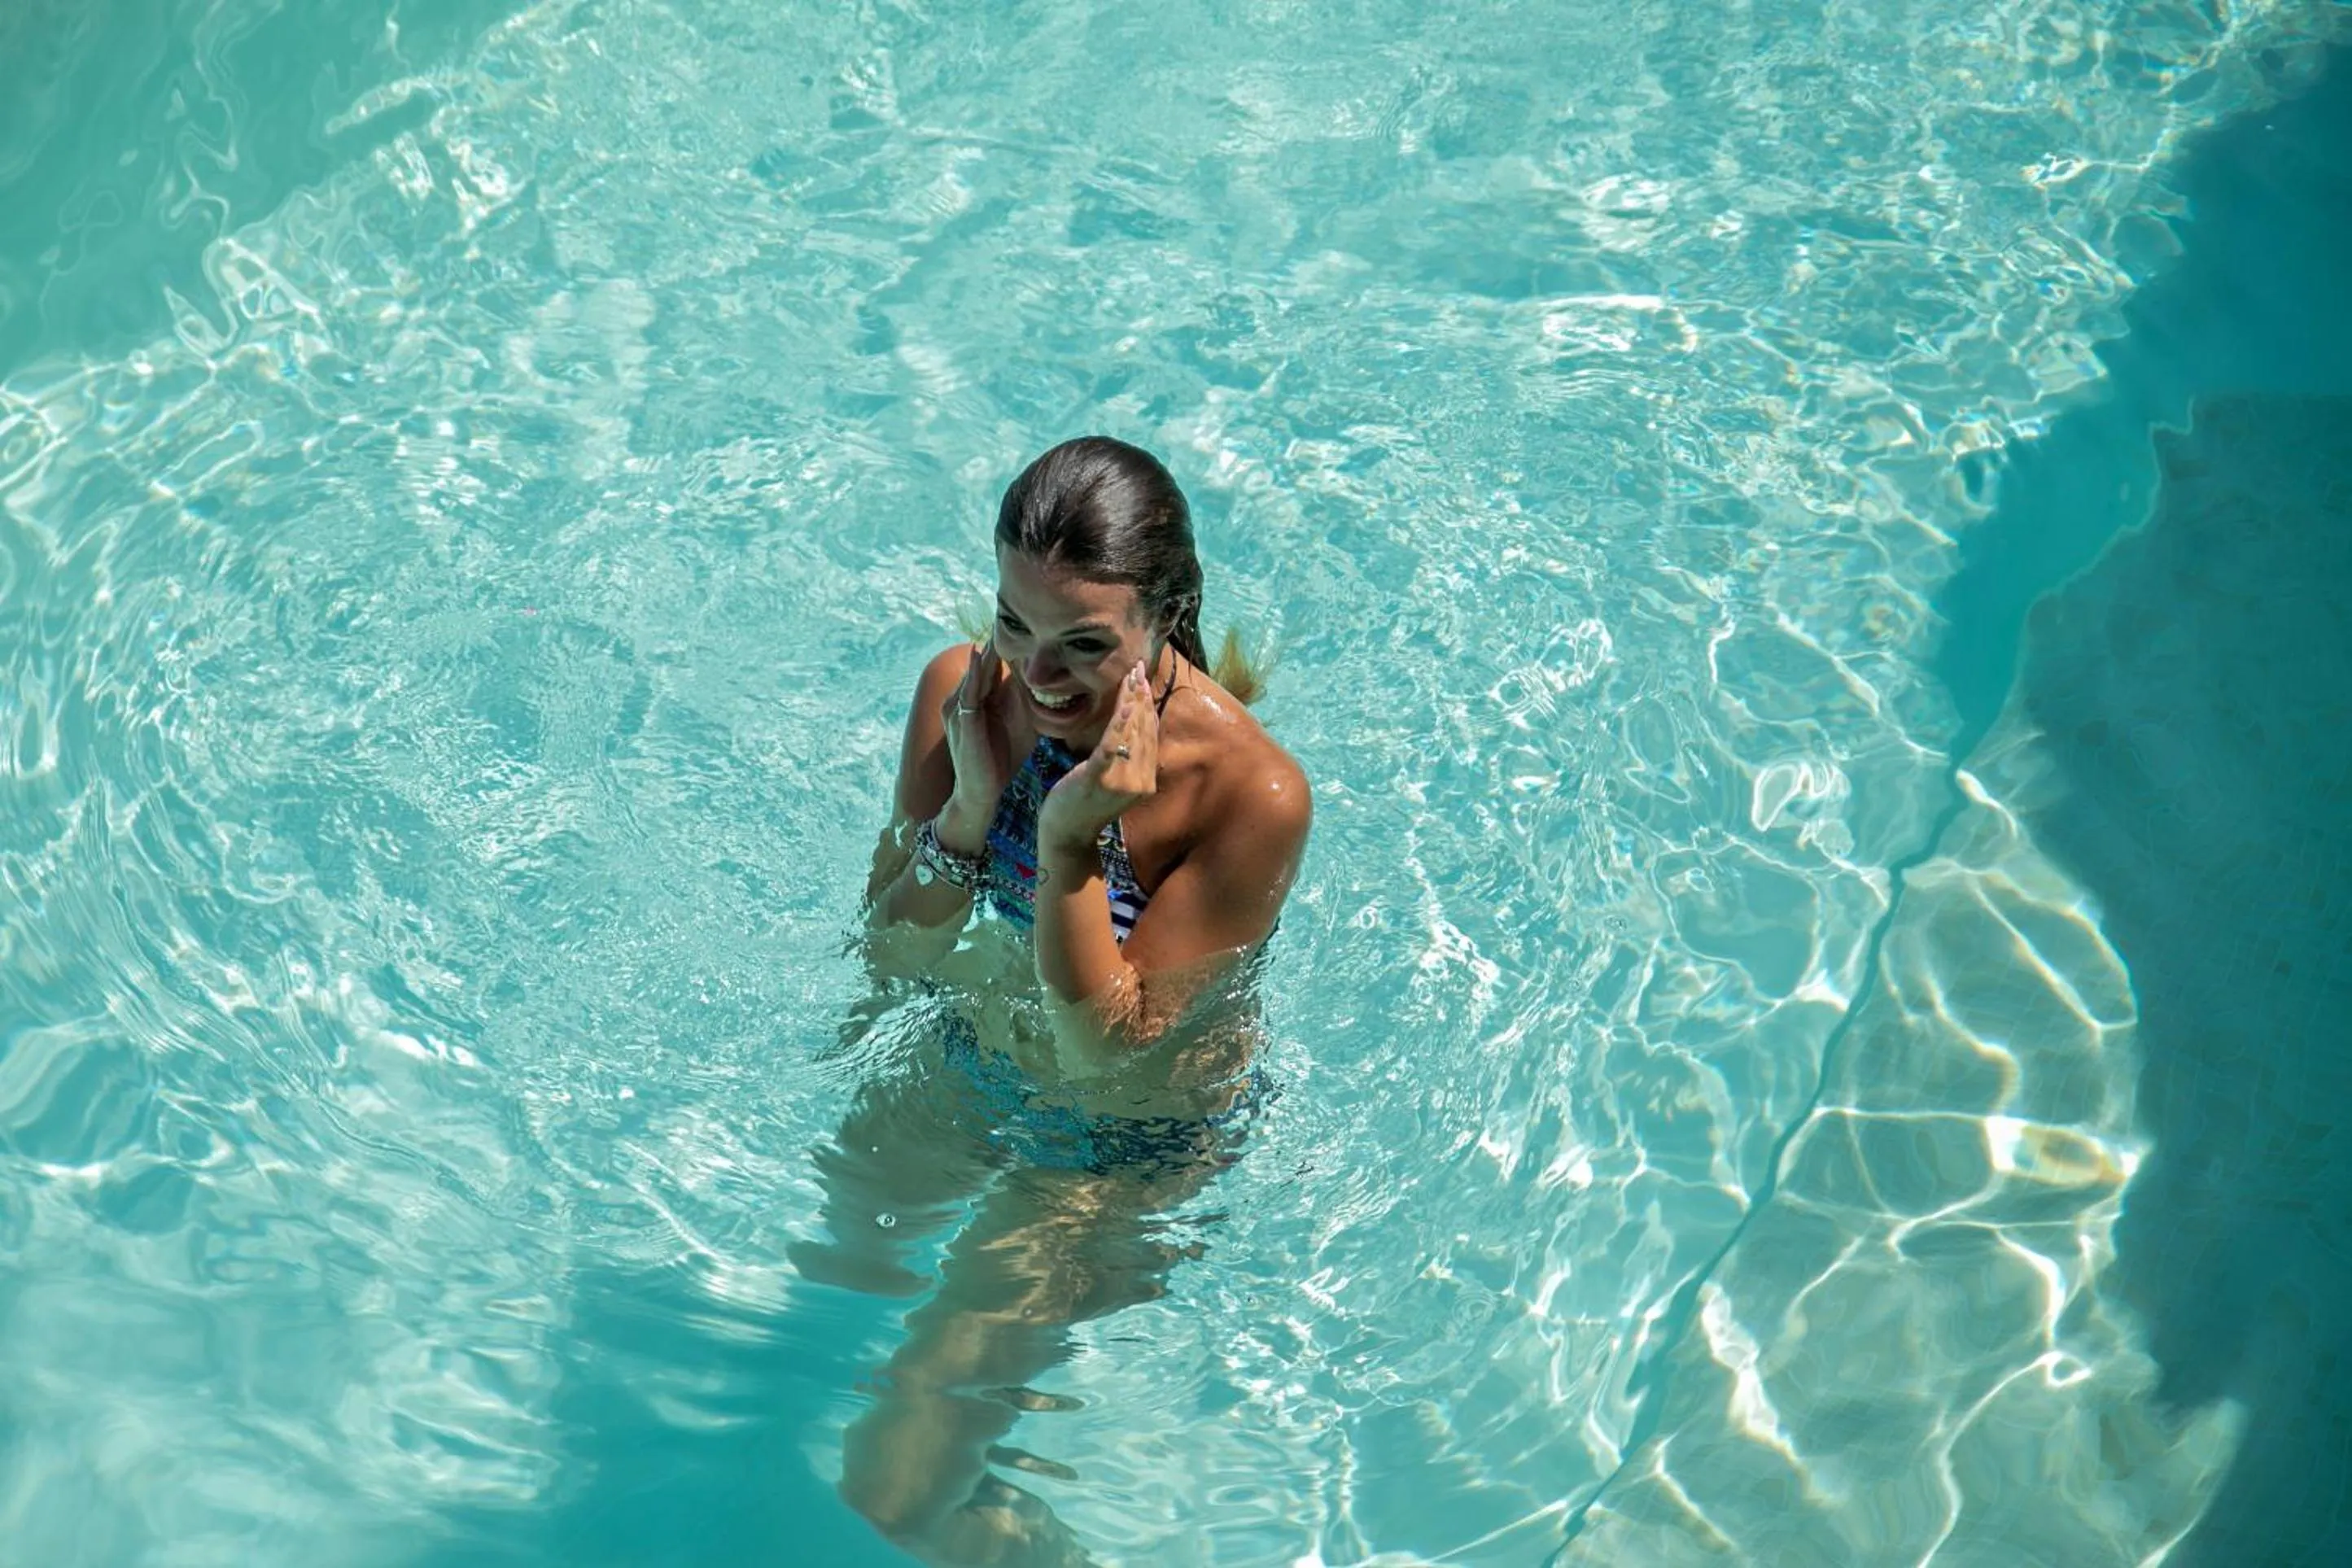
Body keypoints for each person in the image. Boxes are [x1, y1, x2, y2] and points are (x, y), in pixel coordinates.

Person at [797, 437, 1311, 1566]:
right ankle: (984, 1446)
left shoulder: (1246, 791)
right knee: (834, 1286)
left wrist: (1071, 841)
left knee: (891, 1484)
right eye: (1014, 625)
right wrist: (973, 808)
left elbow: (1106, 1051)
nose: (1038, 677)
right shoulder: (962, 692)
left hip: (1119, 1144)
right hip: (965, 1050)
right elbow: (887, 949)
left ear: (1165, 616)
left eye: (1085, 644)